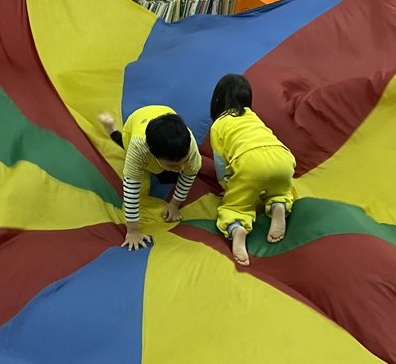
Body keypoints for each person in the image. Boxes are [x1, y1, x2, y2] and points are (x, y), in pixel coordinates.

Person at [208, 74, 296, 267]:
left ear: (217, 100)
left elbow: (221, 165)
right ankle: (278, 205)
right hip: (283, 158)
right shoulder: (252, 116)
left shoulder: (218, 125)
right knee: (280, 189)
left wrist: (228, 187)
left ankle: (237, 229)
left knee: (234, 206)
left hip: (251, 163)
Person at [97, 106, 202, 251]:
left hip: (164, 116)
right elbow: (131, 188)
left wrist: (174, 204)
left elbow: (188, 176)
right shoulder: (138, 147)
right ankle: (112, 130)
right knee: (125, 147)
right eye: (173, 165)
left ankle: (168, 167)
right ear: (152, 155)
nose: (181, 168)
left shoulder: (190, 149)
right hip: (136, 124)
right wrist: (133, 230)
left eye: (185, 161)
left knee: (170, 175)